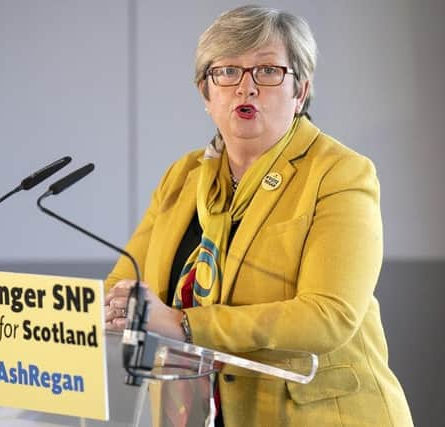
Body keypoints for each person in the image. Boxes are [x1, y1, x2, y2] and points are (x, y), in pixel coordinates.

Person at [104, 5, 413, 426]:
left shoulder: (339, 173)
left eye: (268, 72)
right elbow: (121, 286)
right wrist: (118, 308)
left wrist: (184, 324)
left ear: (300, 91)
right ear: (205, 93)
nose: (245, 88)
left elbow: (328, 316)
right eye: (227, 72)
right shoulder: (182, 177)